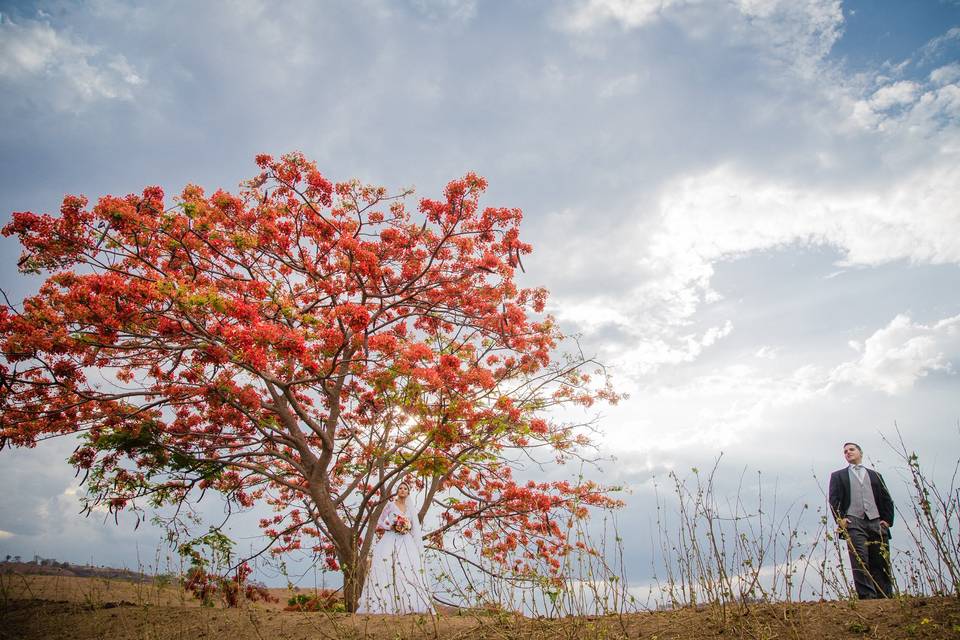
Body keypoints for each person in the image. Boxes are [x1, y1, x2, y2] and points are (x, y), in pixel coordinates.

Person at [828, 442, 895, 599]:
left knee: (880, 560)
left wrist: (887, 520)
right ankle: (867, 597)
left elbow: (886, 499)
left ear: (860, 453)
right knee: (860, 559)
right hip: (853, 520)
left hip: (876, 521)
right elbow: (834, 499)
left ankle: (885, 597)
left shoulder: (875, 475)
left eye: (851, 449)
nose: (848, 452)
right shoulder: (838, 476)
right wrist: (840, 519)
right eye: (845, 451)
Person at [357, 479, 433, 613]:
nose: (402, 490)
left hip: (406, 541)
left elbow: (415, 527)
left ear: (409, 492)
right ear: (397, 491)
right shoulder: (391, 505)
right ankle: (383, 604)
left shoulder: (411, 508)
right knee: (387, 566)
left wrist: (406, 527)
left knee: (406, 567)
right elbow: (380, 521)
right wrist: (390, 526)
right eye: (400, 488)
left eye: (405, 488)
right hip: (390, 538)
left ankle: (407, 605)